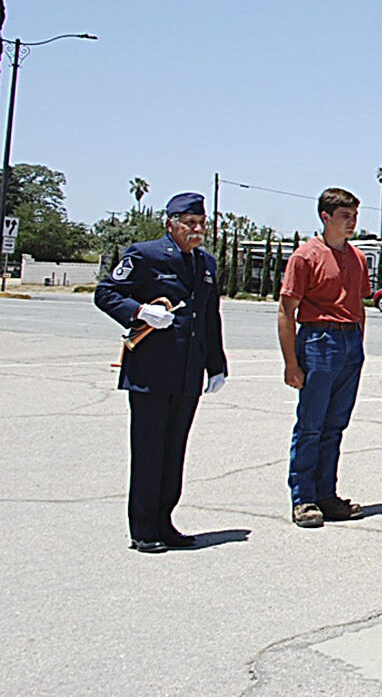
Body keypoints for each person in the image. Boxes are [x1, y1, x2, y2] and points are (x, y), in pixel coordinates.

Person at [95, 192, 228, 552]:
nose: (197, 230)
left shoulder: (206, 263)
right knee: (149, 450)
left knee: (174, 452)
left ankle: (165, 521)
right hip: (151, 372)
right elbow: (106, 293)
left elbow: (209, 316)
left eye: (201, 224)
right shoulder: (146, 254)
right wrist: (140, 311)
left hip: (187, 373)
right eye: (190, 224)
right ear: (171, 224)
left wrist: (216, 365)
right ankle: (142, 528)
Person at [278, 188, 372, 528]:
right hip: (319, 338)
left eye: (355, 216)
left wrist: (357, 346)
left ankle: (326, 494)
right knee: (311, 425)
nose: (352, 222)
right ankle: (303, 498)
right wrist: (291, 362)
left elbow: (359, 306)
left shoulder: (357, 258)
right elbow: (286, 310)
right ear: (325, 217)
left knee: (335, 425)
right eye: (345, 216)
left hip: (349, 341)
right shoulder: (306, 256)